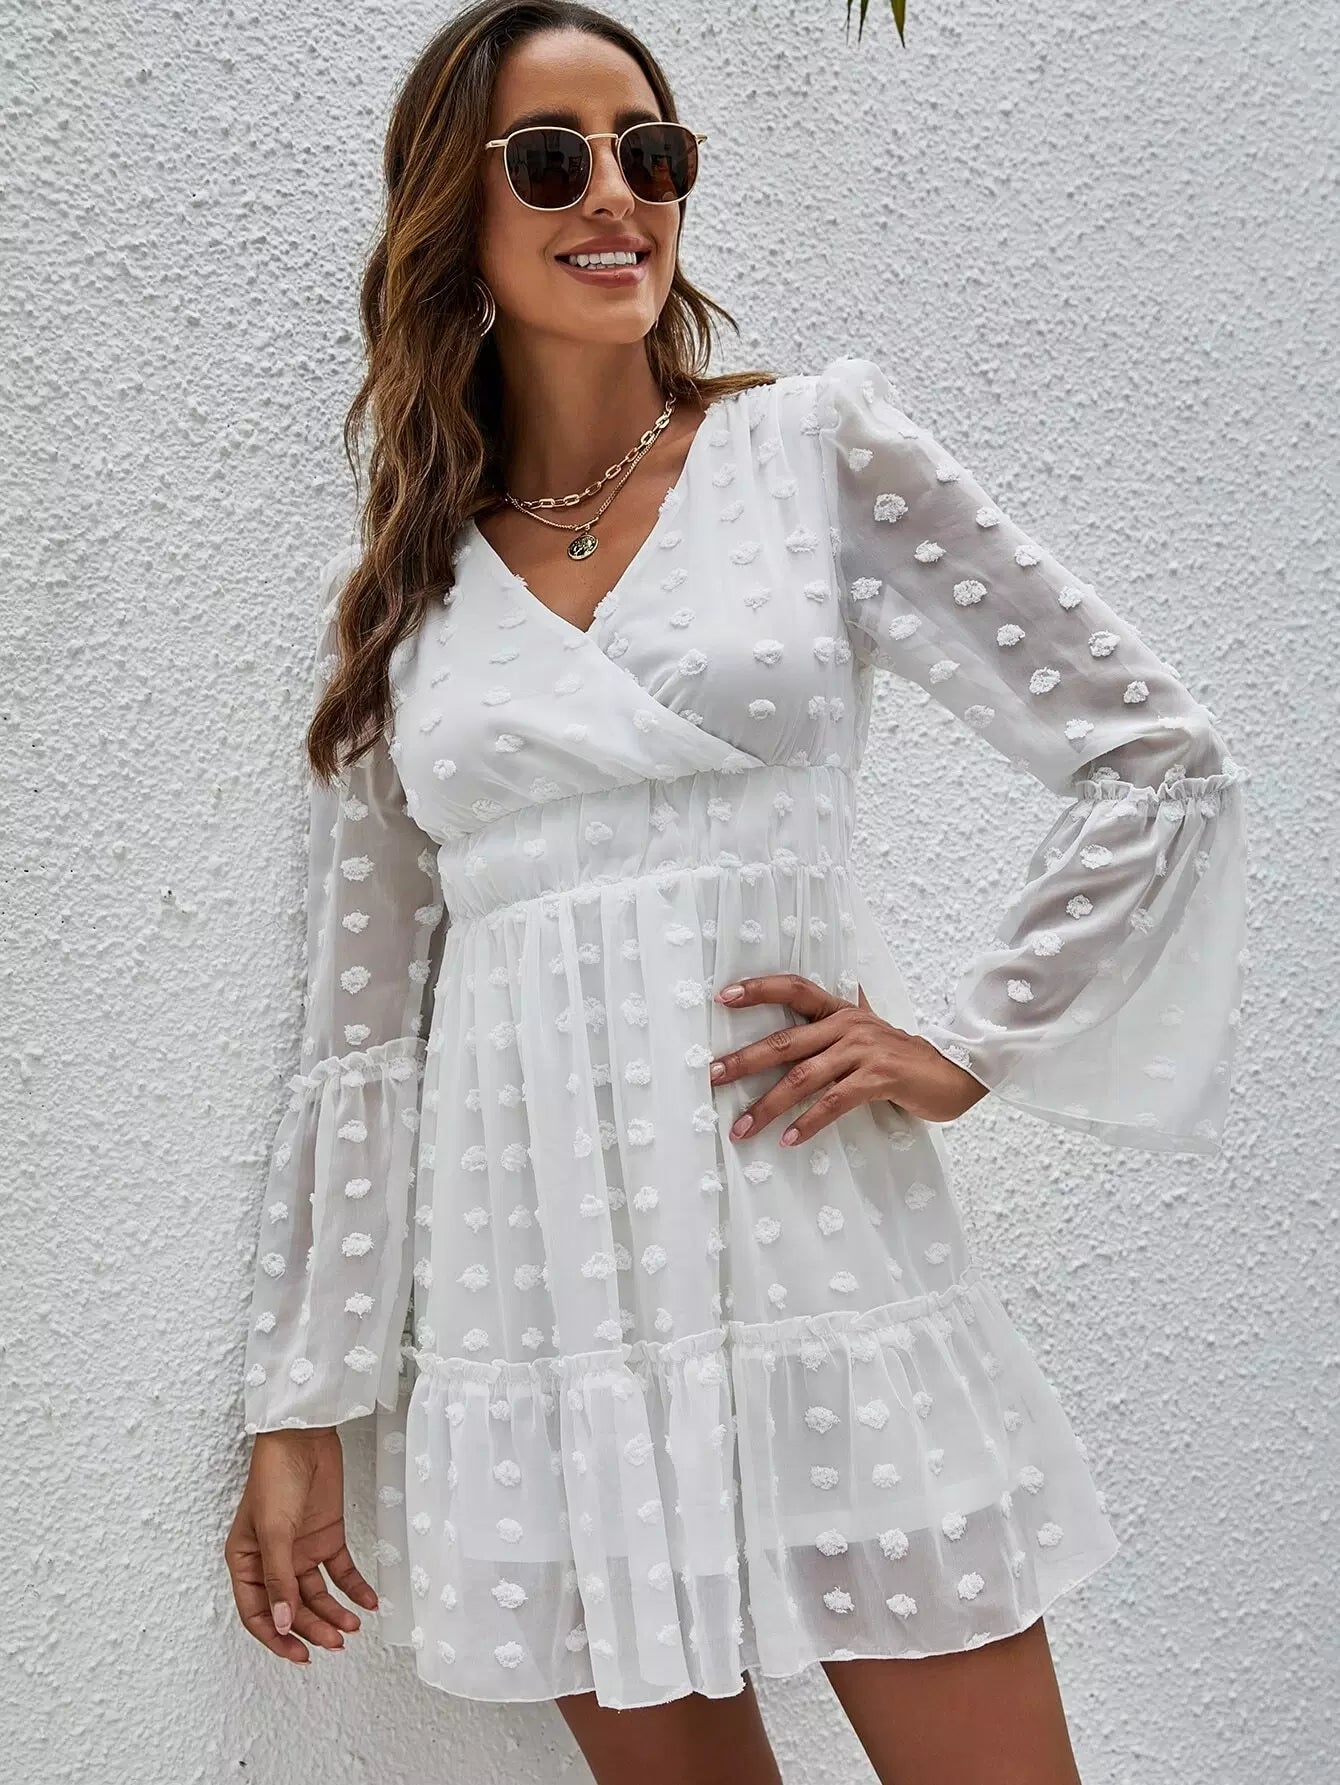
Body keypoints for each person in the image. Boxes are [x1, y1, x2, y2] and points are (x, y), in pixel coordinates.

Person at [223, 5, 1250, 1781]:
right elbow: (362, 1030)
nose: (615, 192)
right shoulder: (399, 592)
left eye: (652, 151)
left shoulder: (811, 456)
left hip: (819, 1257)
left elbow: (1155, 753)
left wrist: (974, 1044)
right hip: (545, 1299)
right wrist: (301, 1401)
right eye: (553, 158)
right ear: (451, 215)